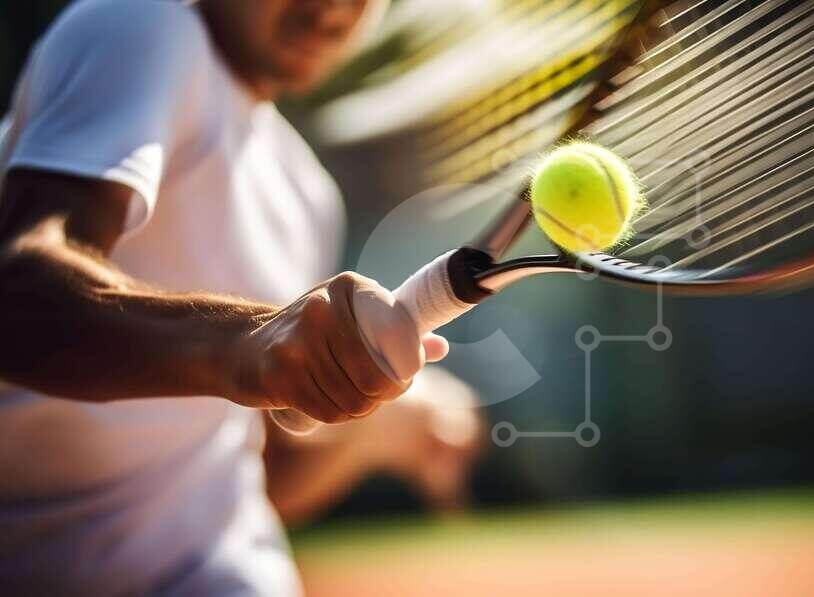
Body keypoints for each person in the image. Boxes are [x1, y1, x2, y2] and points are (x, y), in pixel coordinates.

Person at [0, 0, 479, 593]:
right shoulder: (142, 23)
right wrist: (248, 342)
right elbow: (17, 291)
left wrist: (369, 430)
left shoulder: (307, 197)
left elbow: (262, 477)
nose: (334, 9)